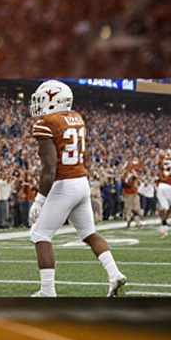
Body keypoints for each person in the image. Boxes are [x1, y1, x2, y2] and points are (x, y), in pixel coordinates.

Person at [27, 80, 127, 298]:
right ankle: (114, 273)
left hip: (63, 183)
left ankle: (47, 291)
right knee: (89, 233)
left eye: (43, 99)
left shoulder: (46, 123)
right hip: (82, 181)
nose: (38, 104)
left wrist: (40, 200)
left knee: (40, 235)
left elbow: (49, 167)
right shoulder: (77, 118)